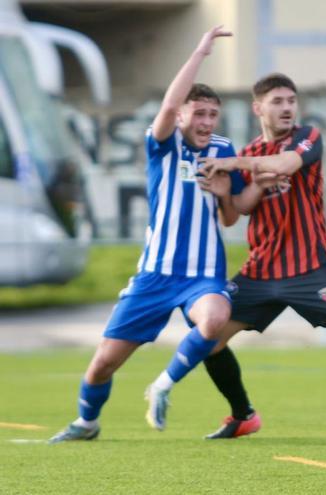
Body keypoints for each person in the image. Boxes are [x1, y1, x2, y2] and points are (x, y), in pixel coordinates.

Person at [156, 72, 326, 443]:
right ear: (258, 108)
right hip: (261, 268)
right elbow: (238, 208)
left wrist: (233, 165)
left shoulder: (307, 138)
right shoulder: (251, 152)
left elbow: (287, 165)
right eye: (277, 102)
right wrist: (226, 191)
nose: (287, 108)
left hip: (311, 268)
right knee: (208, 338)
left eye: (291, 101)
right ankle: (243, 415)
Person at [49, 27, 239, 443]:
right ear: (183, 115)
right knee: (102, 365)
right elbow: (169, 105)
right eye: (199, 113)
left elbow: (229, 219)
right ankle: (86, 423)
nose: (206, 122)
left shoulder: (225, 151)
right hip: (155, 275)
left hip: (202, 276)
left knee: (215, 319)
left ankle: (162, 385)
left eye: (213, 115)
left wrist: (227, 193)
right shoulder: (164, 142)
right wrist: (200, 51)